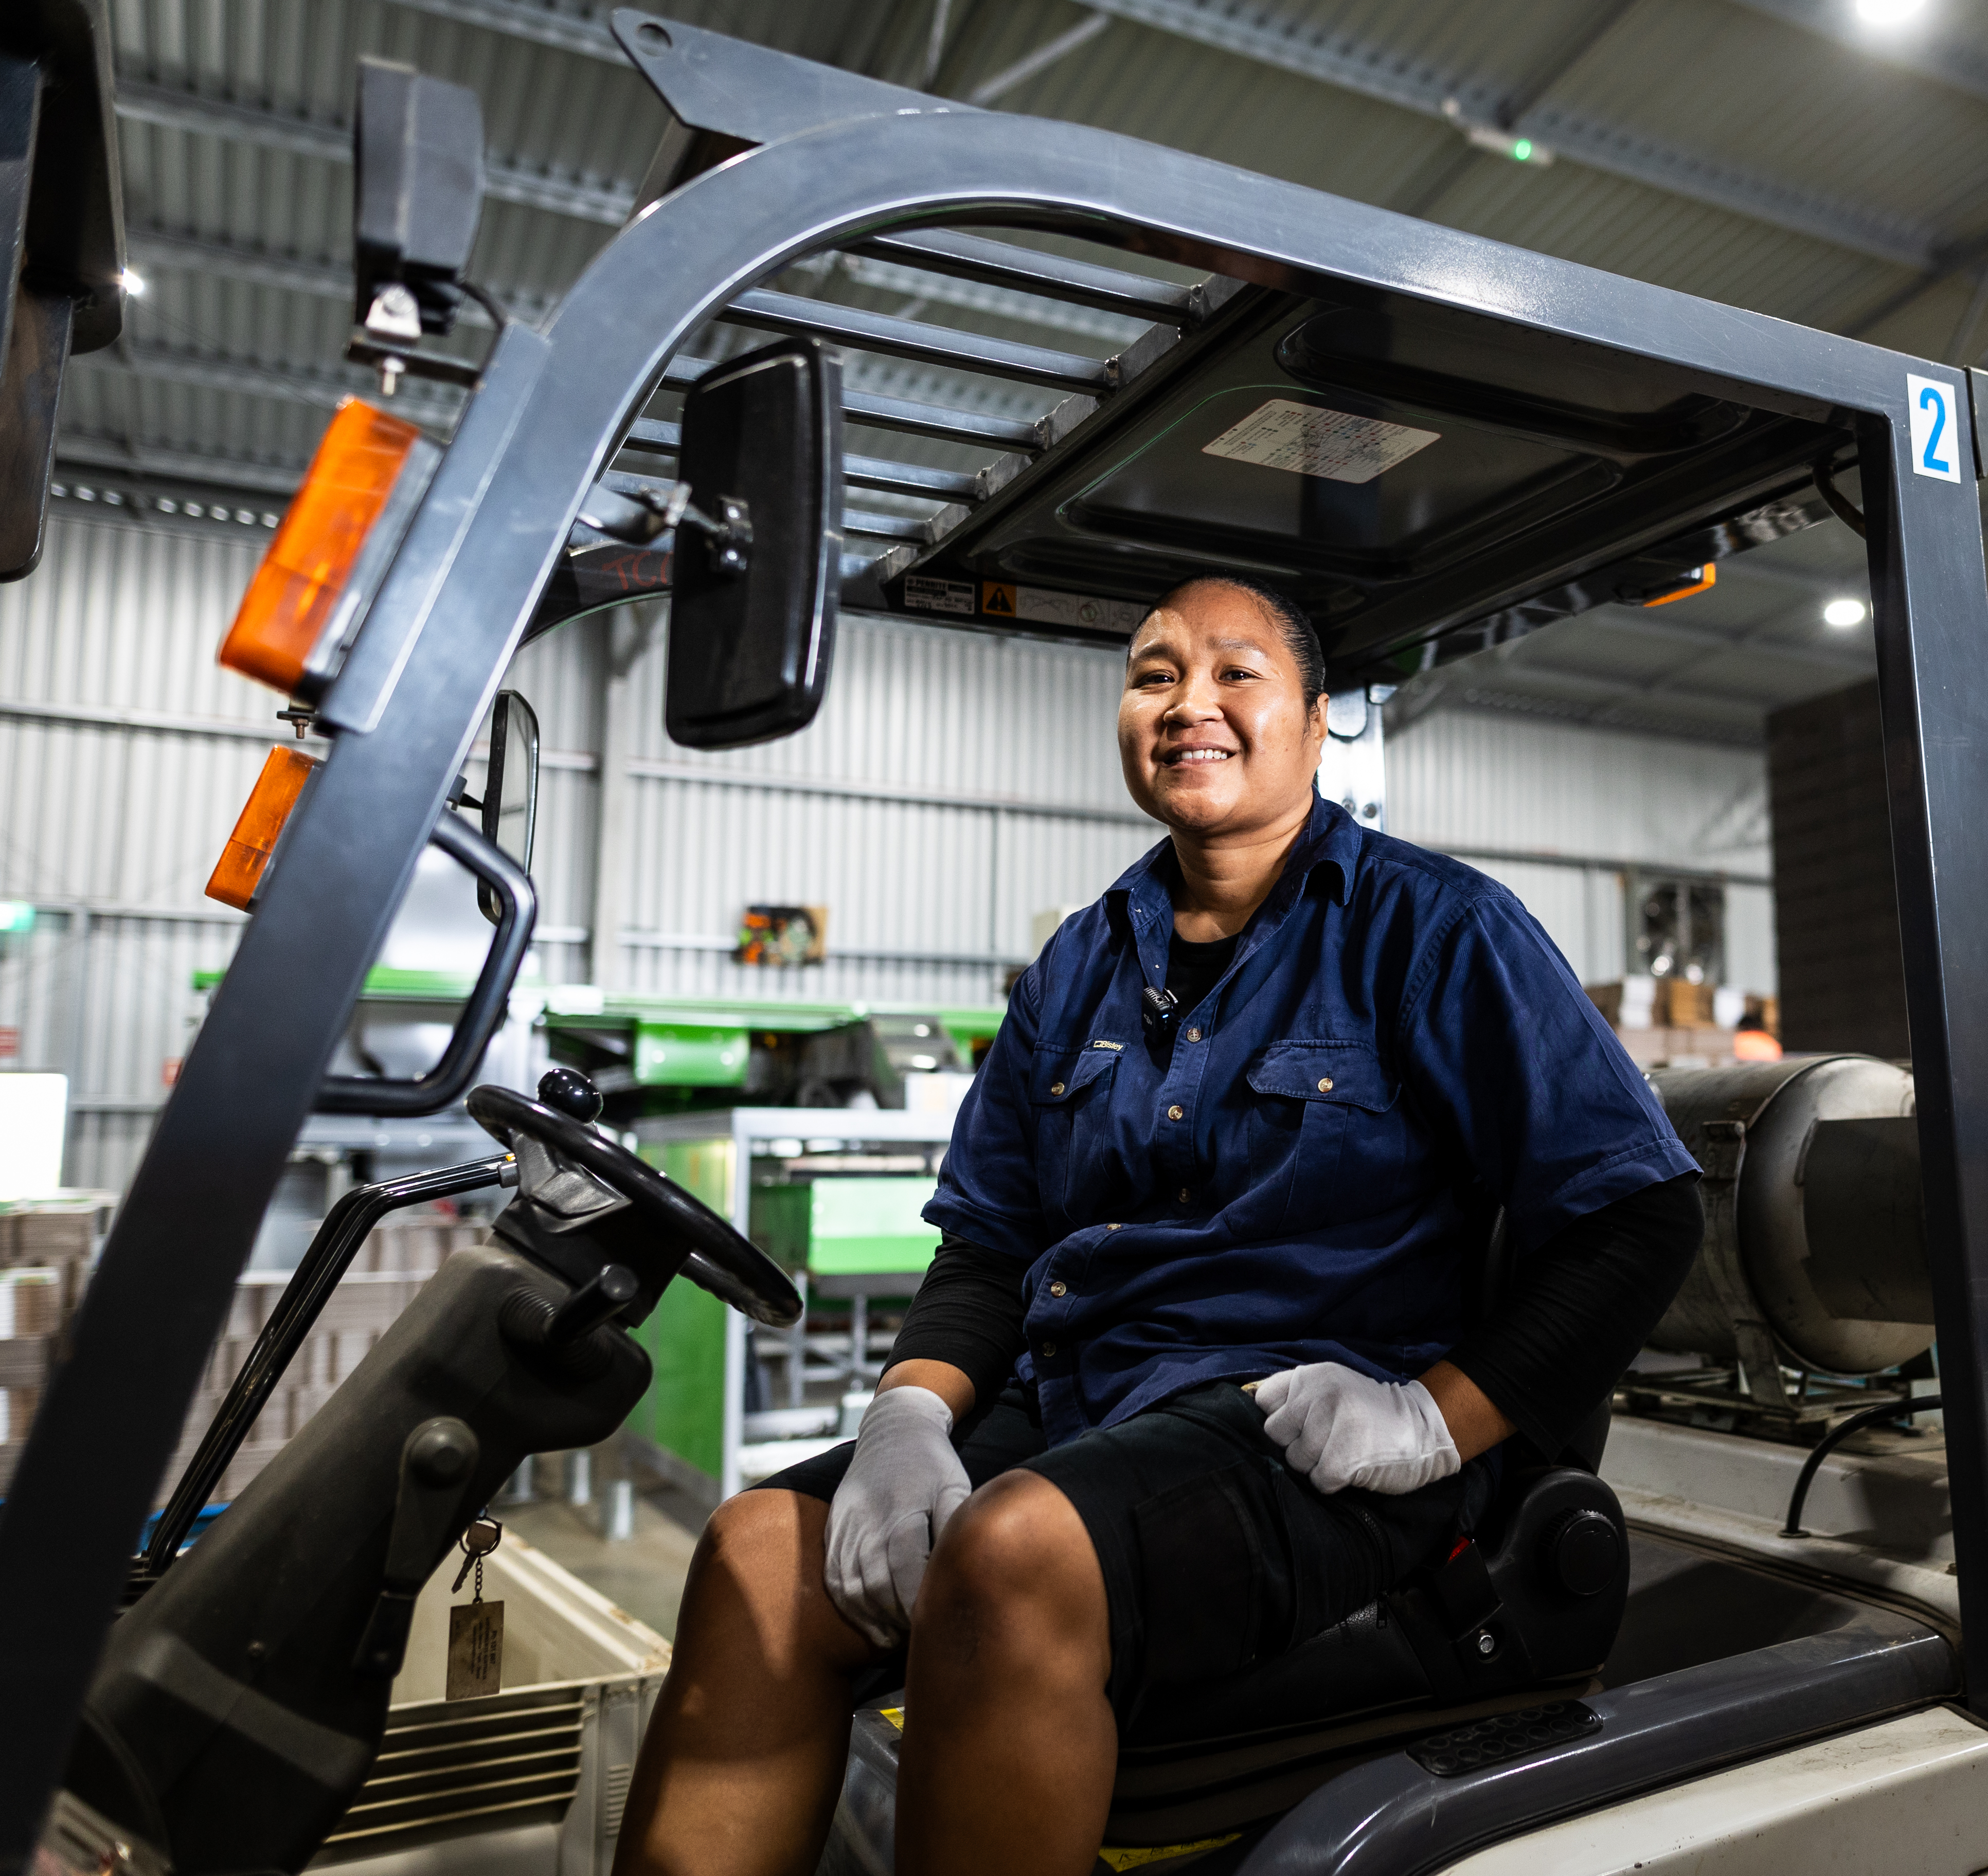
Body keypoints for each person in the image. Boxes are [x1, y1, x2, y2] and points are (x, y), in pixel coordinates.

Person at [614, 575, 1705, 1876]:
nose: (1190, 702)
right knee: (754, 1555)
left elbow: (1639, 1214)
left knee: (1013, 1549)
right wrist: (905, 1417)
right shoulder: (1079, 963)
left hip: (1320, 1436)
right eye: (1153, 674)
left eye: (1238, 673)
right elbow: (992, 1241)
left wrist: (1435, 1420)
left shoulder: (1437, 929)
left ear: (1314, 719)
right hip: (1091, 1400)